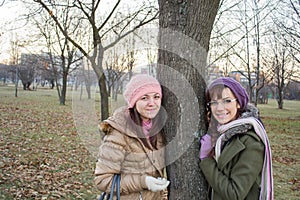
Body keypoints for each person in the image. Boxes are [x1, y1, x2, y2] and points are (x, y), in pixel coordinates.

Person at [94, 74, 169, 200]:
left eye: (156, 97)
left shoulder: (158, 131)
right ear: (134, 102)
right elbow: (102, 180)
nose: (152, 103)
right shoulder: (118, 133)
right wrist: (144, 182)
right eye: (144, 98)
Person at [199, 77, 273, 200]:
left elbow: (234, 194)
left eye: (227, 101)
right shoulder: (219, 133)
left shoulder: (251, 143)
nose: (220, 108)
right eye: (214, 102)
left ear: (238, 103)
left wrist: (206, 159)